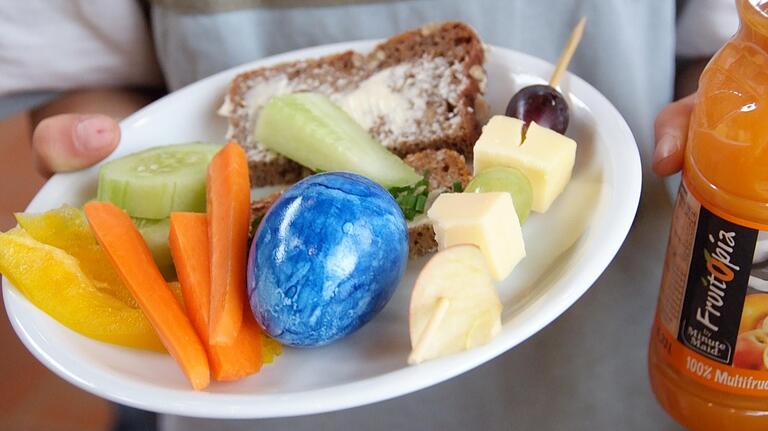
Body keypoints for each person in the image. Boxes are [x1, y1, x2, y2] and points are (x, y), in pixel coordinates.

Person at [0, 0, 740, 429]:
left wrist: (722, 125)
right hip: (245, 402)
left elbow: (719, 46)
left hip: (592, 361)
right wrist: (104, 146)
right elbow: (96, 78)